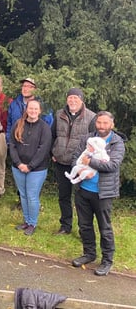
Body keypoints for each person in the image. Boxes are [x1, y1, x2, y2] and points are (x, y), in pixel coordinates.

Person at [70, 111, 124, 276]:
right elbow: (75, 158)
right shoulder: (87, 138)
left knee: (105, 228)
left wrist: (90, 163)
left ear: (111, 124)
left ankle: (107, 261)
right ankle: (89, 254)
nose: (101, 126)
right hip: (83, 190)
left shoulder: (117, 142)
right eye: (99, 123)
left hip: (103, 193)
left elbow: (112, 165)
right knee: (84, 225)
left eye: (105, 123)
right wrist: (82, 169)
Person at [51, 87, 97, 235]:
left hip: (80, 165)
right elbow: (52, 135)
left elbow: (94, 142)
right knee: (63, 196)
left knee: (82, 199)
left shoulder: (91, 117)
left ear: (81, 100)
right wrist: (53, 151)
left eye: (75, 98)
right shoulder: (59, 114)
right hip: (61, 162)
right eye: (70, 98)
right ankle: (65, 226)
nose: (72, 101)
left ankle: (84, 230)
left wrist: (88, 161)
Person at [9, 99, 53, 236]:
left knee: (32, 196)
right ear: (26, 109)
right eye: (30, 108)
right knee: (23, 195)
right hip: (18, 167)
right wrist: (18, 163)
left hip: (37, 169)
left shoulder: (44, 128)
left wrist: (30, 166)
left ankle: (32, 223)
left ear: (39, 111)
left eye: (36, 109)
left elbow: (43, 149)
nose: (33, 111)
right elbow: (12, 145)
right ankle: (26, 221)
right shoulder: (18, 124)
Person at [6, 77, 53, 143]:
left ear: (36, 89)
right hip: (16, 145)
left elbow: (48, 126)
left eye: (30, 87)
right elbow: (9, 124)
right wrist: (9, 141)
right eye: (24, 86)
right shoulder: (14, 104)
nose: (26, 89)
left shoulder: (44, 106)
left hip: (35, 146)